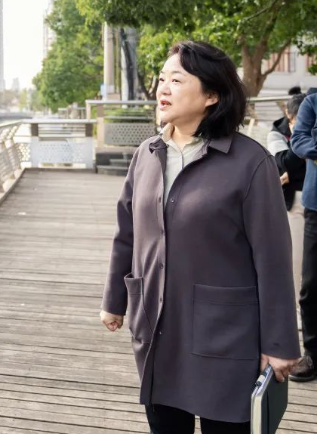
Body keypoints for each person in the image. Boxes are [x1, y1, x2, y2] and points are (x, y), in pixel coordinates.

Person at [100, 41, 300, 433]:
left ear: (212, 95)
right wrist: (115, 300)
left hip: (226, 339)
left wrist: (279, 343)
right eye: (162, 79)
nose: (163, 88)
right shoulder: (147, 154)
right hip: (158, 330)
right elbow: (127, 233)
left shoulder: (250, 163)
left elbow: (273, 259)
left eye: (177, 79)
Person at [288, 91, 317, 382]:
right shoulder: (312, 102)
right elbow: (299, 142)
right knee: (310, 285)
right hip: (315, 207)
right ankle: (312, 353)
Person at [268, 94, 306, 297]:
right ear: (288, 116)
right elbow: (283, 163)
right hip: (293, 205)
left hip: (312, 198)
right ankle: (294, 314)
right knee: (294, 261)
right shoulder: (277, 133)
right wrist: (301, 138)